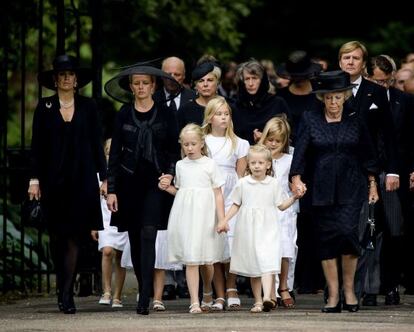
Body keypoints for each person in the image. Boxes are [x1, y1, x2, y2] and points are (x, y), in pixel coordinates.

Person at [290, 70, 379, 313]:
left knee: (347, 234)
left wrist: (373, 183)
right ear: (322, 98)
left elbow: (368, 153)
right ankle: (332, 294)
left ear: (345, 96)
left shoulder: (356, 119)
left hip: (352, 186)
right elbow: (301, 152)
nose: (333, 103)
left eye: (337, 97)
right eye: (328, 98)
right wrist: (296, 178)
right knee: (326, 239)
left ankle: (349, 291)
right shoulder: (310, 118)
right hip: (321, 189)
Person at [28, 54, 107, 314]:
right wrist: (34, 178)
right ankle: (62, 283)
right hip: (53, 181)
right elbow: (37, 146)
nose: (66, 78)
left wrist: (105, 178)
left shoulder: (88, 106)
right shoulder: (45, 106)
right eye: (61, 74)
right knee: (56, 237)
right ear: (55, 79)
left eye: (70, 74)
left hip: (81, 179)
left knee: (75, 236)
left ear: (76, 80)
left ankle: (66, 294)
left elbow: (97, 144)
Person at [104, 63, 181, 315]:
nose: (140, 87)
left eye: (145, 83)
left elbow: (172, 148)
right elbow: (114, 153)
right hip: (128, 182)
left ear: (153, 85)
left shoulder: (165, 113)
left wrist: (169, 173)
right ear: (131, 86)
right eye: (136, 83)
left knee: (149, 232)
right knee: (135, 238)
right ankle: (143, 288)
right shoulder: (124, 114)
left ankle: (144, 295)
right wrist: (112, 188)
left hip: (155, 181)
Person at [337, 41, 399, 304]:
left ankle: (357, 289)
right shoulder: (330, 88)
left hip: (368, 170)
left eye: (356, 58)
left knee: (365, 229)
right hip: (336, 168)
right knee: (339, 229)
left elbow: (389, 134)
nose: (350, 62)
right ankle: (336, 288)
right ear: (340, 61)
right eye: (346, 57)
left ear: (363, 63)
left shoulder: (376, 91)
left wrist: (393, 170)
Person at [217, 144, 301, 313]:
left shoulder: (273, 184)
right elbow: (235, 204)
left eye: (260, 163)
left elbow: (281, 206)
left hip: (268, 228)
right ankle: (257, 301)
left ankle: (268, 297)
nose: (256, 166)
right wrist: (224, 220)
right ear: (248, 164)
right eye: (253, 163)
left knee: (268, 261)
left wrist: (294, 197)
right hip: (248, 229)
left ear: (268, 165)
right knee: (254, 266)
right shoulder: (243, 183)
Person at [159, 123, 227, 314]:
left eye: (193, 144)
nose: (189, 148)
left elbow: (218, 194)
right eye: (185, 144)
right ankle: (195, 301)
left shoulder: (210, 164)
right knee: (191, 258)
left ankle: (207, 290)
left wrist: (222, 219)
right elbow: (182, 192)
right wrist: (167, 188)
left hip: (206, 215)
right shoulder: (180, 165)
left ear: (201, 143)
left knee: (207, 260)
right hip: (186, 216)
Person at [276, 50, 324, 295]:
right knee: (291, 220)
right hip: (286, 161)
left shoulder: (317, 97)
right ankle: (288, 279)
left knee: (311, 220)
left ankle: (312, 279)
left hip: (314, 161)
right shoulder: (281, 97)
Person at [367, 55, 414, 303]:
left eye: (386, 82)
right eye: (377, 81)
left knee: (395, 230)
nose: (382, 86)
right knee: (369, 231)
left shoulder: (404, 101)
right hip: (369, 172)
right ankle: (369, 287)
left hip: (397, 171)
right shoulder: (361, 101)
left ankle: (391, 285)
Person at [202, 96, 249, 311]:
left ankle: (232, 287)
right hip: (210, 192)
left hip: (230, 193)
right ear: (210, 117)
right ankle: (218, 293)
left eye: (226, 113)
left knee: (231, 242)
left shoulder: (239, 143)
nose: (223, 117)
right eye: (219, 114)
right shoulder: (203, 140)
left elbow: (240, 175)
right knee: (215, 245)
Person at [153, 56, 194, 301]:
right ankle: (167, 279)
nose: (172, 78)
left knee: (186, 222)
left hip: (188, 167)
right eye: (167, 74)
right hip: (161, 168)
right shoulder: (153, 100)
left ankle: (185, 279)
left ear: (184, 76)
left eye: (177, 74)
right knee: (163, 224)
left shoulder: (192, 98)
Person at [258, 116, 298, 309]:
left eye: (278, 141)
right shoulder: (258, 158)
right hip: (264, 209)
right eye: (270, 139)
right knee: (267, 250)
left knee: (285, 249)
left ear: (285, 142)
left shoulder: (291, 159)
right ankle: (269, 291)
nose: (273, 144)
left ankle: (283, 287)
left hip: (285, 209)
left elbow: (293, 183)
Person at [97, 139, 128, 308]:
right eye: (107, 151)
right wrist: (94, 225)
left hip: (122, 216)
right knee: (107, 251)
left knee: (121, 256)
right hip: (105, 219)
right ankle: (107, 290)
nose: (111, 155)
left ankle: (117, 295)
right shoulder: (100, 176)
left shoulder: (126, 173)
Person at [231, 59, 290, 145]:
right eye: (247, 79)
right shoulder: (236, 106)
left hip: (271, 155)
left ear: (262, 80)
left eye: (254, 78)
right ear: (242, 82)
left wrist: (265, 139)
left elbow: (287, 136)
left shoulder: (277, 104)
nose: (251, 83)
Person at [176, 62, 221, 130]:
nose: (205, 84)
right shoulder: (185, 110)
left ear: (217, 83)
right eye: (201, 81)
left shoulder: (227, 107)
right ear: (195, 86)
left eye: (210, 80)